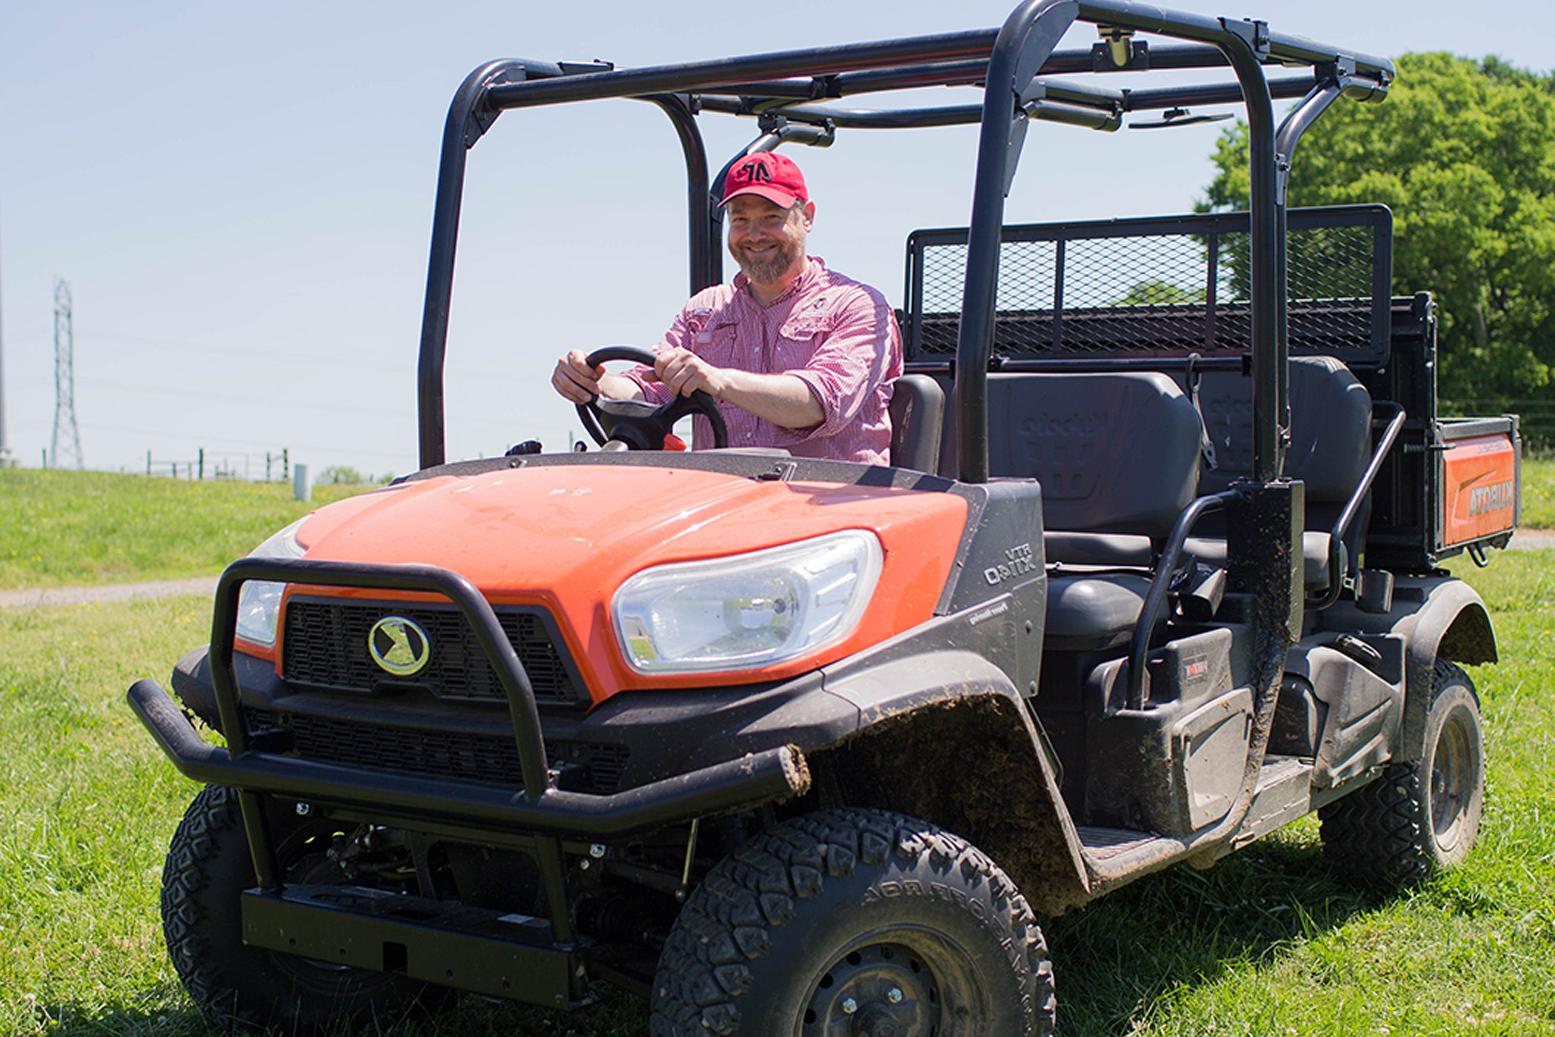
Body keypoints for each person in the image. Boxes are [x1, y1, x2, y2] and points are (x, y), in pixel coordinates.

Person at [550, 151, 902, 464]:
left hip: (830, 507)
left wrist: (718, 380)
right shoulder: (705, 310)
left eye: (771, 217)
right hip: (724, 505)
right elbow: (650, 388)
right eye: (741, 219)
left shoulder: (858, 307)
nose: (754, 234)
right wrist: (595, 383)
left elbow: (818, 403)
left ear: (806, 216)